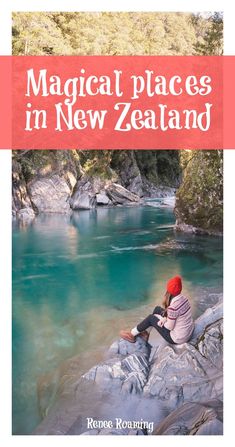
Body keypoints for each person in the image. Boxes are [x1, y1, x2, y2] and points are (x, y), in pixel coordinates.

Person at [120, 276, 194, 345]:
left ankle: (132, 334)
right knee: (157, 309)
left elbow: (169, 327)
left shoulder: (173, 308)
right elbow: (175, 315)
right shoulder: (184, 299)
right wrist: (164, 318)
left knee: (151, 318)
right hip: (187, 332)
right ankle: (146, 333)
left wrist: (161, 319)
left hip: (178, 338)